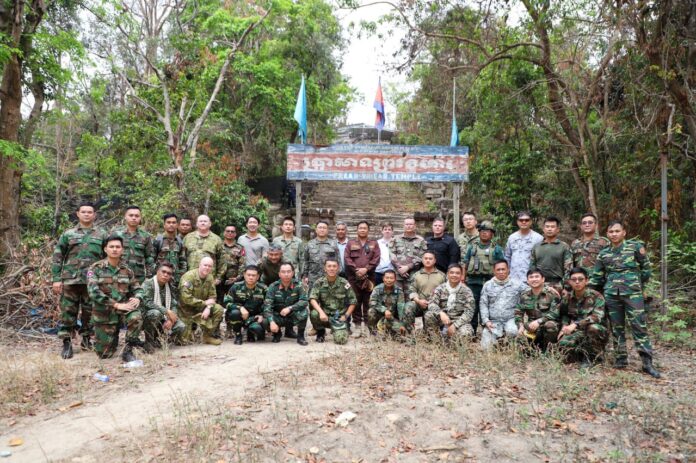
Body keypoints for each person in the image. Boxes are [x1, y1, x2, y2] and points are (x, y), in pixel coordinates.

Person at [590, 221, 660, 378]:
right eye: (611, 232)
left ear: (624, 232)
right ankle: (621, 359)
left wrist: (636, 284)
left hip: (632, 294)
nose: (614, 234)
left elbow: (646, 269)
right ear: (607, 234)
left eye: (617, 231)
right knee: (617, 327)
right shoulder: (604, 253)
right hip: (611, 294)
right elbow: (597, 276)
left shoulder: (635, 247)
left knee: (639, 326)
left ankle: (647, 363)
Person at [52, 202, 108, 359]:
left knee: (90, 312)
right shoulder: (68, 234)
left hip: (92, 281)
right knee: (68, 312)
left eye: (90, 212)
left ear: (94, 215)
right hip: (71, 280)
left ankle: (86, 339)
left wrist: (105, 279)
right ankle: (67, 342)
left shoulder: (102, 234)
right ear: (78, 214)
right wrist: (56, 279)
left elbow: (107, 258)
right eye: (83, 212)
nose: (87, 214)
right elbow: (58, 256)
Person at [87, 235, 144, 361]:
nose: (114, 249)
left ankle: (128, 349)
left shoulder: (127, 270)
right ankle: (112, 337)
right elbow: (93, 292)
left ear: (122, 250)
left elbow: (137, 288)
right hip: (104, 313)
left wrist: (138, 297)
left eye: (118, 247)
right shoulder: (95, 268)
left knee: (135, 316)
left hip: (123, 310)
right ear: (105, 249)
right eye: (111, 247)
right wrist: (116, 304)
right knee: (104, 354)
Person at [547, 267, 608, 366]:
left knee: (593, 328)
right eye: (574, 279)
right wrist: (564, 327)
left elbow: (597, 316)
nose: (577, 282)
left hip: (595, 332)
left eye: (580, 279)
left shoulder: (596, 296)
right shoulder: (567, 297)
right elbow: (564, 314)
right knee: (563, 347)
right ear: (570, 282)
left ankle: (592, 358)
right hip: (575, 331)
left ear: (586, 281)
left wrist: (575, 324)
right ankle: (579, 354)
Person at [461, 221, 505, 334]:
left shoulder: (497, 249)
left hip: (491, 283)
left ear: (492, 234)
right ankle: (471, 332)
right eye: (482, 231)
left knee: (490, 308)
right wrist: (463, 279)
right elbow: (465, 263)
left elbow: (502, 266)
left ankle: (490, 331)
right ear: (479, 233)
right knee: (472, 307)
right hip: (473, 283)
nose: (484, 233)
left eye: (487, 231)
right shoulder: (472, 247)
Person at [344, 221, 380, 337]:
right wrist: (356, 270)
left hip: (369, 277)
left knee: (368, 301)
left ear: (368, 230)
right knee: (355, 301)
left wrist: (366, 269)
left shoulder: (374, 243)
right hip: (354, 277)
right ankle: (358, 326)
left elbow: (376, 258)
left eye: (365, 228)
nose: (362, 230)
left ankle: (369, 327)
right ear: (357, 230)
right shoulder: (350, 243)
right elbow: (347, 258)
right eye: (360, 228)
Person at [309, 259, 357, 344]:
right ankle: (321, 332)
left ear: (338, 268)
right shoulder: (319, 282)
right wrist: (321, 312)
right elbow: (312, 299)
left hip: (339, 318)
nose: (332, 268)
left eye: (334, 266)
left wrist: (346, 316)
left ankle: (337, 329)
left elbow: (353, 301)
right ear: (325, 268)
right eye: (329, 266)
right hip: (325, 317)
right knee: (314, 313)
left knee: (341, 340)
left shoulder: (344, 283)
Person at [480, 260, 525, 350]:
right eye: (498, 269)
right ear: (494, 271)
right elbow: (483, 304)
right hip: (493, 321)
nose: (501, 272)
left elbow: (532, 290)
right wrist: (486, 321)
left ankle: (508, 344)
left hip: (511, 319)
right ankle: (498, 342)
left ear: (508, 270)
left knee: (512, 331)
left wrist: (548, 289)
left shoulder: (517, 284)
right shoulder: (488, 285)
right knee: (486, 348)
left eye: (503, 269)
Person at [178, 257, 225, 346]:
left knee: (219, 309)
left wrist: (208, 307)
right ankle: (189, 330)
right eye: (205, 265)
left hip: (201, 308)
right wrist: (204, 303)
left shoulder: (210, 277)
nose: (207, 268)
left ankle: (207, 336)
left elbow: (212, 296)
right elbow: (186, 298)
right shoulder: (189, 277)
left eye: (210, 266)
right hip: (186, 311)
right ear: (199, 265)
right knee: (183, 341)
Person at [141, 262, 186, 349]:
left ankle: (160, 340)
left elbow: (174, 304)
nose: (165, 275)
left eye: (169, 273)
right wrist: (166, 311)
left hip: (163, 318)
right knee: (155, 313)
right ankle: (149, 342)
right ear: (157, 271)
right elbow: (146, 302)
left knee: (181, 326)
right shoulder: (148, 283)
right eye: (163, 272)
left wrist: (171, 320)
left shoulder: (169, 286)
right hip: (146, 317)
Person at [425, 263, 475, 341]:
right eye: (452, 272)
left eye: (457, 273)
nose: (454, 275)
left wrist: (455, 325)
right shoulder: (440, 288)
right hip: (442, 319)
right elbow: (432, 303)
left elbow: (469, 312)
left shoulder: (467, 291)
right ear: (447, 274)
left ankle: (453, 342)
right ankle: (436, 341)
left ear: (461, 275)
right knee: (429, 315)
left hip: (458, 320)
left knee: (466, 333)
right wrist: (440, 313)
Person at [514, 269, 561, 352]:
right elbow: (518, 313)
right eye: (531, 277)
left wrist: (539, 321)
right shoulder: (524, 295)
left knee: (550, 326)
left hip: (548, 323)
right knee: (521, 338)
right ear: (527, 281)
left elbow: (555, 313)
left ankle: (549, 351)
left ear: (543, 279)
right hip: (532, 326)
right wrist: (520, 326)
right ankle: (532, 351)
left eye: (537, 276)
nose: (534, 279)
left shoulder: (552, 293)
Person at [263, 263, 308, 346]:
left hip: (292, 315)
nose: (286, 274)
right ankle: (277, 333)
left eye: (288, 271)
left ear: (293, 273)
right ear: (279, 274)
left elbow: (304, 301)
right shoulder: (273, 286)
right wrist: (272, 322)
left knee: (304, 312)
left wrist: (290, 308)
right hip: (278, 316)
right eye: (283, 272)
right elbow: (267, 306)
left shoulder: (299, 285)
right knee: (265, 321)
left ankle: (300, 336)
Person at [110, 205, 155, 283]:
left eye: (137, 216)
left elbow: (149, 258)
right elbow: (108, 254)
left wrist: (149, 277)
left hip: (138, 278)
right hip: (118, 275)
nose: (134, 218)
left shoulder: (145, 236)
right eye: (131, 215)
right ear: (125, 217)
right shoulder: (116, 234)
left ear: (140, 218)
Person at [225, 265, 268, 345]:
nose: (251, 277)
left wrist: (262, 315)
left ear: (258, 277)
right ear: (244, 275)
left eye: (253, 275)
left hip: (254, 317)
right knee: (234, 313)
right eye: (248, 275)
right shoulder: (236, 286)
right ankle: (238, 335)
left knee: (258, 330)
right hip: (240, 316)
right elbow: (227, 302)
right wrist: (240, 308)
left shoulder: (263, 288)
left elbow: (268, 304)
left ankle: (250, 332)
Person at [404, 251, 446, 330]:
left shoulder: (442, 276)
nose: (428, 260)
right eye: (425, 258)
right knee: (409, 306)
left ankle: (432, 333)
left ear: (435, 261)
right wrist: (418, 301)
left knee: (430, 315)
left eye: (430, 259)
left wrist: (434, 302)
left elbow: (445, 293)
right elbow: (412, 291)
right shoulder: (416, 275)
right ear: (422, 260)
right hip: (419, 303)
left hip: (435, 305)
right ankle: (410, 333)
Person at [529, 216, 572, 293]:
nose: (549, 229)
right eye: (547, 226)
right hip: (539, 285)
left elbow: (568, 269)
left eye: (552, 227)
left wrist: (565, 287)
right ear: (543, 229)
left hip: (558, 285)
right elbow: (532, 268)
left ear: (557, 229)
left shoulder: (564, 247)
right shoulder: (537, 247)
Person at [183, 215, 226, 286]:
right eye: (200, 221)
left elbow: (222, 260)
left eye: (205, 221)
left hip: (209, 280)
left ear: (210, 224)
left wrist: (219, 278)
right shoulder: (188, 238)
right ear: (197, 224)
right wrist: (183, 275)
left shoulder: (217, 239)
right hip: (190, 278)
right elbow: (182, 258)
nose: (203, 223)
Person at [389, 217, 428, 294]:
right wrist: (399, 268)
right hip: (397, 275)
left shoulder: (421, 241)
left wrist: (408, 267)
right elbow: (391, 254)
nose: (409, 226)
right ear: (403, 225)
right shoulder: (395, 239)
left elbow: (422, 256)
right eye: (407, 224)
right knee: (396, 297)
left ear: (415, 226)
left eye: (411, 224)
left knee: (411, 298)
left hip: (413, 275)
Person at [505, 211, 543, 284]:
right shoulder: (512, 238)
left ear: (531, 222)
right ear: (517, 222)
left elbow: (541, 260)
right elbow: (507, 257)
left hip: (531, 279)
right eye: (521, 220)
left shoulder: (538, 238)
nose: (524, 222)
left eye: (526, 220)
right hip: (513, 279)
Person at [367, 270, 406, 338]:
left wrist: (402, 324)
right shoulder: (377, 289)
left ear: (395, 280)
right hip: (379, 314)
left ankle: (389, 331)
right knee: (371, 311)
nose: (389, 280)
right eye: (387, 278)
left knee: (401, 334)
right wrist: (384, 310)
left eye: (391, 278)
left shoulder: (399, 291)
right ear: (383, 279)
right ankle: (373, 333)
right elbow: (372, 302)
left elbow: (401, 308)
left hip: (392, 317)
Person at [302, 221, 340, 289]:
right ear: (316, 230)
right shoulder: (309, 244)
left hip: (329, 278)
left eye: (324, 228)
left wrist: (336, 275)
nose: (322, 230)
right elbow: (305, 261)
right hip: (313, 279)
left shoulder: (333, 244)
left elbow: (338, 261)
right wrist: (305, 276)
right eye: (320, 227)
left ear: (327, 230)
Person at [153, 213, 187, 286]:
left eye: (173, 222)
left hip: (175, 279)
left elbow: (183, 261)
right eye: (168, 222)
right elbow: (151, 259)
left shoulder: (179, 241)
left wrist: (181, 275)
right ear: (164, 225)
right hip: (160, 278)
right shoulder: (158, 240)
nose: (171, 224)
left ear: (177, 225)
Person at [218, 224, 246, 304]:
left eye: (232, 231)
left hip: (233, 279)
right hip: (219, 278)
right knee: (218, 300)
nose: (230, 233)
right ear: (224, 233)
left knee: (232, 301)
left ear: (235, 234)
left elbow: (242, 264)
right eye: (228, 231)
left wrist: (237, 278)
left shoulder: (240, 247)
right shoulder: (218, 246)